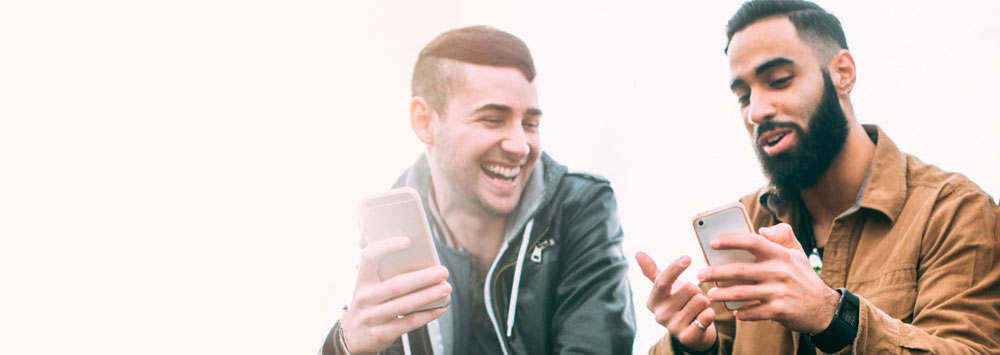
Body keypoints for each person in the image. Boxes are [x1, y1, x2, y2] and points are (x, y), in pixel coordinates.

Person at [637, 1, 1000, 354]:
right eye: (744, 97)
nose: (757, 112)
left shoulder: (953, 211)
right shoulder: (749, 224)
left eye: (778, 81)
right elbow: (715, 339)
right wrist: (692, 345)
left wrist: (833, 315)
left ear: (843, 73)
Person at [322, 26, 636, 355]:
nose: (520, 147)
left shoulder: (579, 208)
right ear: (425, 121)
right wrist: (346, 345)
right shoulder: (391, 232)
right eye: (492, 120)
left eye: (530, 124)